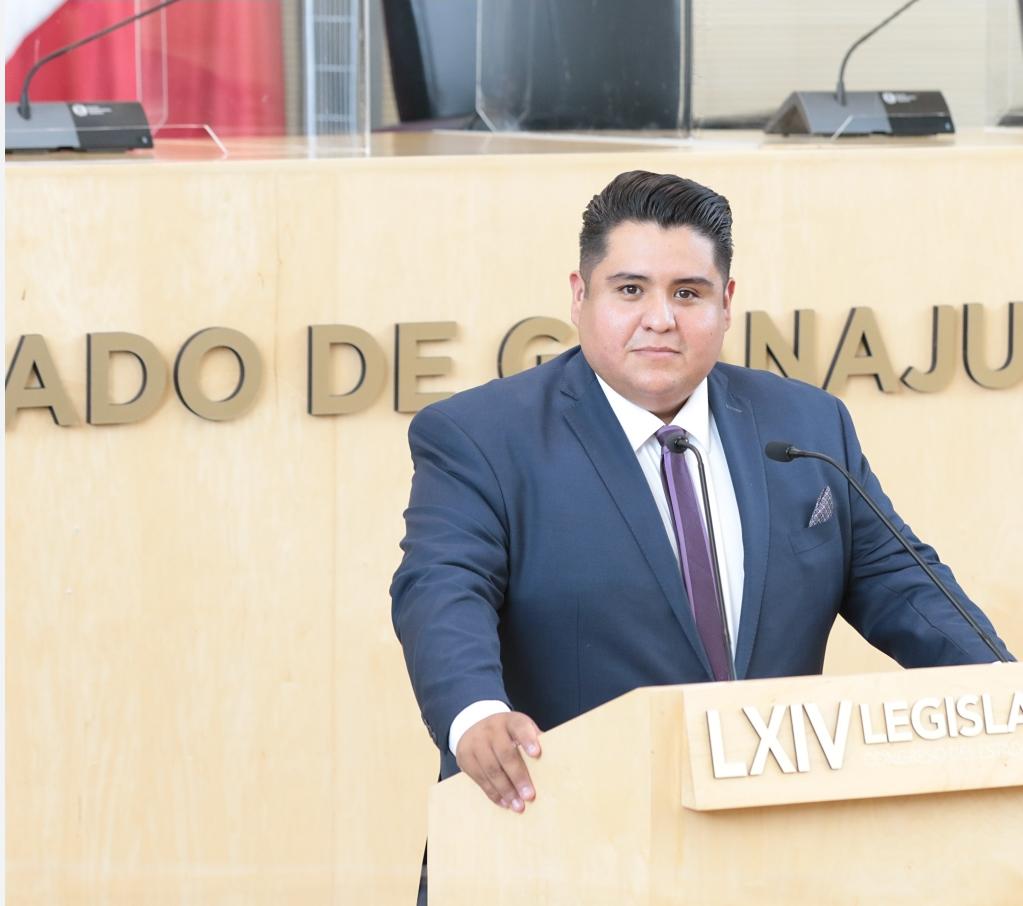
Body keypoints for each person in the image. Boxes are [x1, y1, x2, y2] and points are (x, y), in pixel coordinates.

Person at [390, 170, 1012, 825]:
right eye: (630, 290)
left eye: (687, 293)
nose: (660, 319)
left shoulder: (806, 425)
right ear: (579, 296)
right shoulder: (481, 436)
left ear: (726, 302)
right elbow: (442, 587)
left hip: (769, 836)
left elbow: (902, 585)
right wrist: (476, 713)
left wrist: (1004, 691)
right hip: (561, 827)